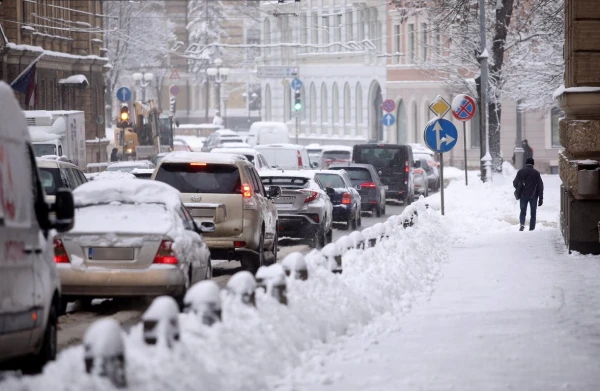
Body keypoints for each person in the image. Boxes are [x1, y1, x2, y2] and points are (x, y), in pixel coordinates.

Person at [513, 157, 544, 231]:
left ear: (526, 163)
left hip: (523, 195)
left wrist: (520, 187)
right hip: (534, 195)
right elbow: (540, 186)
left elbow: (515, 183)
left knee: (523, 211)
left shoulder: (521, 172)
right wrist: (541, 198)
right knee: (533, 213)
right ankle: (532, 228)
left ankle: (522, 224)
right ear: (533, 164)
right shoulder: (536, 173)